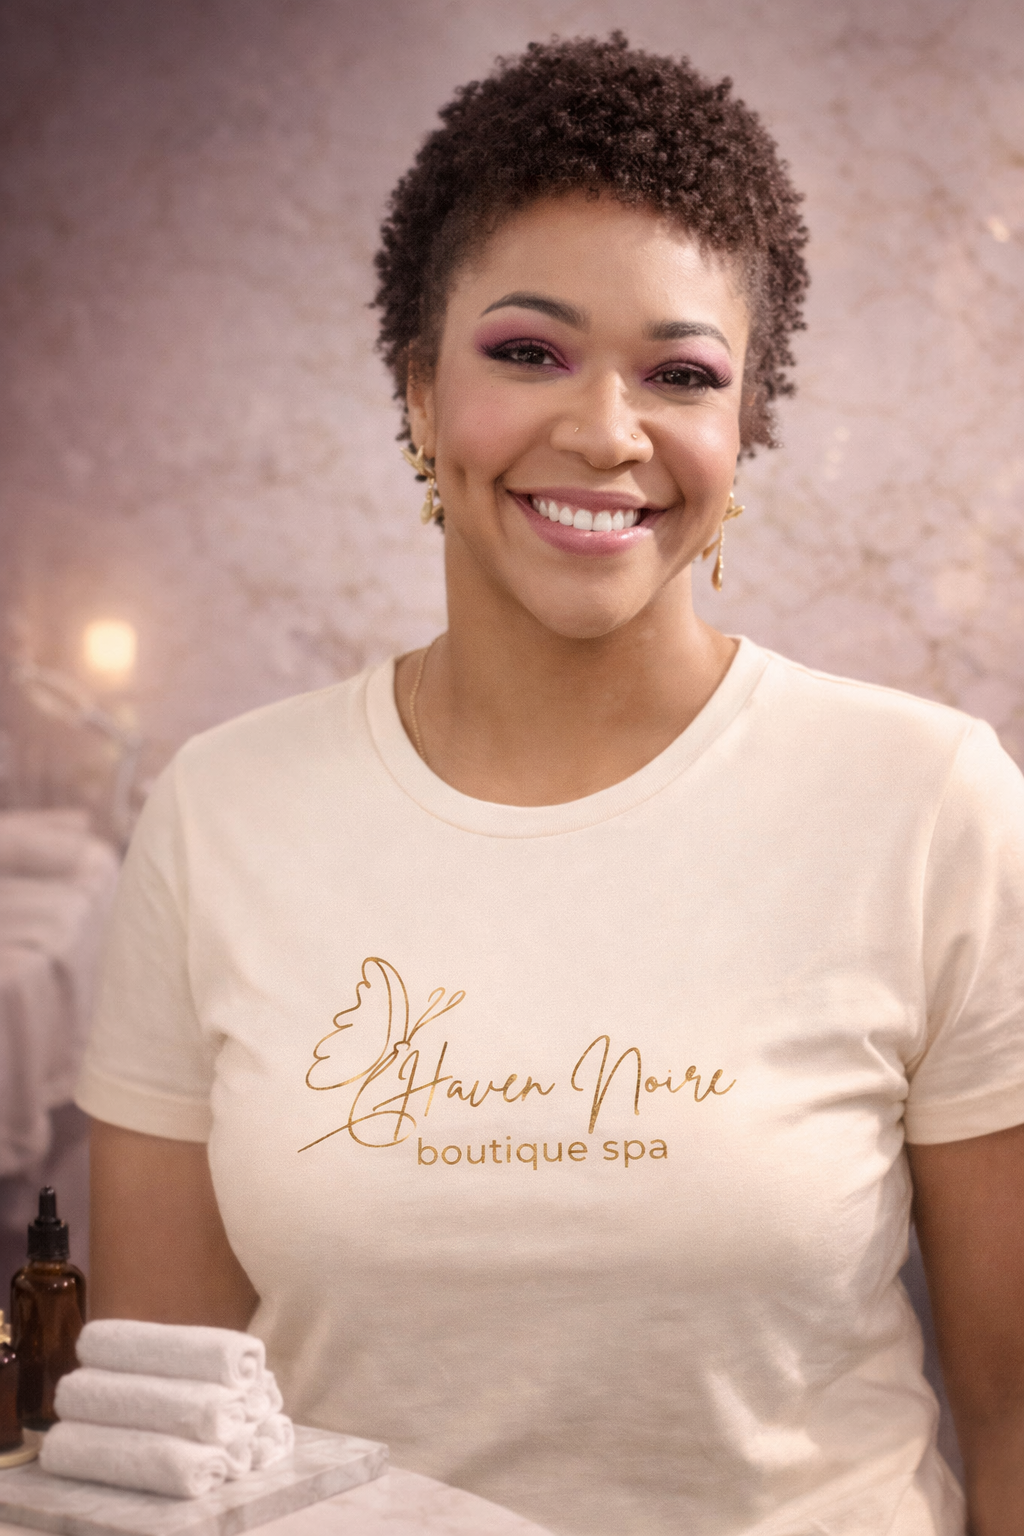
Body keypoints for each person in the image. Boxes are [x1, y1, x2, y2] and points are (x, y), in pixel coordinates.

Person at [78, 34, 1024, 1536]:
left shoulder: (931, 804)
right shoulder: (220, 816)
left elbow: (1017, 1425)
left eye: (682, 373)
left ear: (742, 430)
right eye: (527, 351)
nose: (604, 429)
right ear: (416, 389)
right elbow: (166, 1446)